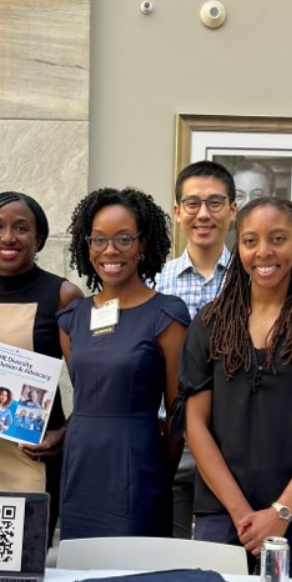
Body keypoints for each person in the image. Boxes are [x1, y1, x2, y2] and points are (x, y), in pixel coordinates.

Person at [178, 197, 292, 579]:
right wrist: (243, 514)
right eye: (250, 241)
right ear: (238, 246)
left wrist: (280, 513)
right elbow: (195, 425)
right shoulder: (210, 323)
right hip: (221, 513)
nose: (264, 252)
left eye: (278, 238)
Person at [59, 187, 190, 539]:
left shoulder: (167, 315)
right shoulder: (72, 318)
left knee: (136, 577)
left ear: (143, 243)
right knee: (79, 571)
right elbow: (88, 393)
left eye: (123, 239)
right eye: (99, 240)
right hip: (81, 463)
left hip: (137, 463)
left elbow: (179, 410)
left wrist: (160, 469)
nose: (110, 251)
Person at [0, 192, 82, 533]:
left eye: (21, 228)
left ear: (38, 238)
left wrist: (62, 435)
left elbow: (90, 382)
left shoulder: (62, 295)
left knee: (28, 563)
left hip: (35, 455)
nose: (8, 237)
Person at [157, 160, 236, 539]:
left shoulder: (253, 280)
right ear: (177, 212)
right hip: (167, 436)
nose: (203, 214)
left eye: (215, 203)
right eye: (192, 204)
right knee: (169, 553)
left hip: (234, 441)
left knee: (225, 550)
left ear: (233, 210)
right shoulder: (154, 281)